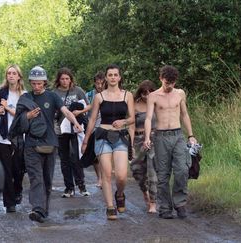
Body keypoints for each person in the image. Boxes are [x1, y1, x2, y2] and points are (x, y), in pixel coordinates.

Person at [9, 66, 83, 223]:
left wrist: (75, 122)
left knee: (47, 179)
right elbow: (17, 122)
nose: (36, 87)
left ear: (44, 82)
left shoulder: (52, 97)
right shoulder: (25, 98)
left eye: (39, 83)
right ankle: (37, 209)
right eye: (33, 83)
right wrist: (27, 116)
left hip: (50, 143)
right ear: (30, 83)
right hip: (31, 145)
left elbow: (66, 111)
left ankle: (43, 210)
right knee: (36, 178)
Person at [143, 65, 197, 219]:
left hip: (178, 134)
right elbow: (148, 118)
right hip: (160, 136)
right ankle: (165, 207)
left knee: (182, 170)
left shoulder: (180, 93)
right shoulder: (153, 96)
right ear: (161, 79)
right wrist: (147, 137)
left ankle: (180, 203)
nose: (169, 86)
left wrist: (191, 135)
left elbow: (184, 115)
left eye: (172, 83)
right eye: (167, 83)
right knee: (163, 174)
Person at [82, 64, 135, 220]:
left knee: (121, 175)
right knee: (106, 173)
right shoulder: (99, 97)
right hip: (102, 135)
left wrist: (123, 122)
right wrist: (85, 141)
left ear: (119, 77)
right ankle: (110, 207)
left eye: (115, 75)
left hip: (120, 136)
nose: (112, 77)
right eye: (110, 75)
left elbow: (132, 118)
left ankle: (119, 194)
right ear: (106, 77)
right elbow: (92, 119)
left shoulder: (127, 95)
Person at [0, 64, 26, 213]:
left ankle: (17, 190)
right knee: (5, 170)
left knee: (18, 170)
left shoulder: (24, 95)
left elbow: (23, 116)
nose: (11, 75)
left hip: (18, 136)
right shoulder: (0, 93)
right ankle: (9, 203)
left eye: (14, 73)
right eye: (8, 73)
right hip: (2, 136)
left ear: (19, 76)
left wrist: (8, 107)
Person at [53, 67, 91, 198]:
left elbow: (89, 105)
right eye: (62, 79)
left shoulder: (78, 91)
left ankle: (81, 185)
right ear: (58, 80)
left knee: (75, 157)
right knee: (64, 159)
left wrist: (79, 112)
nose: (65, 81)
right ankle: (69, 187)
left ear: (71, 79)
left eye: (67, 78)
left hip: (76, 128)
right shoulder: (55, 93)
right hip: (60, 129)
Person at [129, 80, 158, 213]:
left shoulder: (157, 104)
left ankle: (153, 202)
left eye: (150, 93)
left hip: (154, 138)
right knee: (136, 170)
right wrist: (130, 143)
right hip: (138, 139)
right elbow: (131, 125)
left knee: (152, 171)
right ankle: (144, 191)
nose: (147, 96)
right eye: (144, 93)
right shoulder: (134, 105)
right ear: (140, 93)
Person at [85, 71, 105, 188]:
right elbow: (85, 110)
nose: (100, 86)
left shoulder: (109, 94)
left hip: (105, 128)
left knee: (103, 155)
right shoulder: (89, 95)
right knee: (95, 158)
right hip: (92, 128)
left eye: (102, 83)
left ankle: (104, 178)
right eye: (97, 83)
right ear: (94, 83)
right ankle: (99, 178)